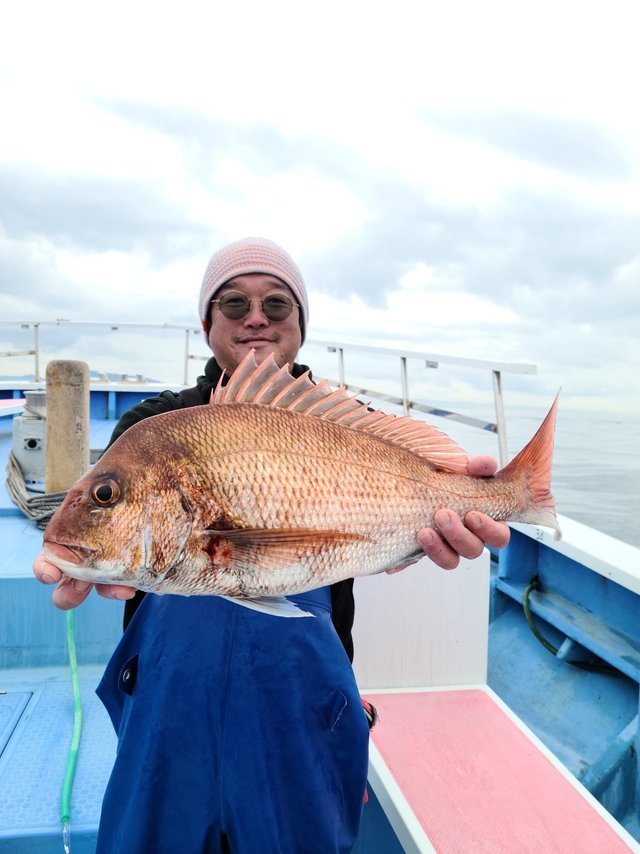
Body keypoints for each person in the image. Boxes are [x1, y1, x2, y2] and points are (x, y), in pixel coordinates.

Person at [34, 237, 509, 853]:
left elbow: (385, 527)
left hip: (302, 705)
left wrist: (436, 533)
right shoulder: (153, 426)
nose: (255, 317)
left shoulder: (346, 422)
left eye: (277, 304)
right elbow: (122, 532)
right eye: (233, 303)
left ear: (301, 324)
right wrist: (81, 551)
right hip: (168, 711)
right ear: (207, 324)